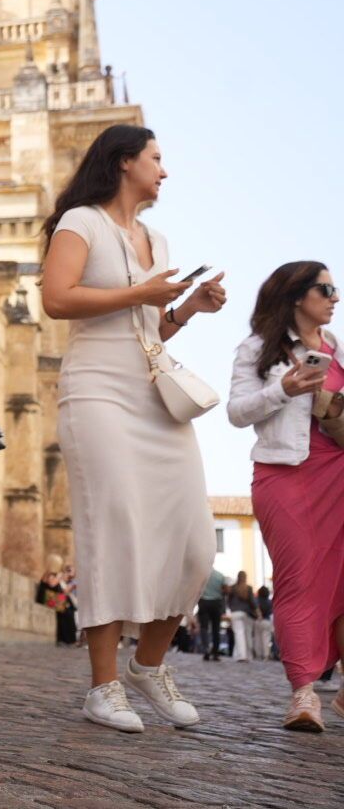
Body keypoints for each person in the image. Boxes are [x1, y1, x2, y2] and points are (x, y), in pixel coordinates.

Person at [40, 124, 227, 733]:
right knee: (112, 526)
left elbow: (146, 328)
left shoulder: (157, 238)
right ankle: (103, 686)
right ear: (125, 163)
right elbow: (57, 299)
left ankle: (149, 665)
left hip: (153, 396)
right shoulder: (80, 223)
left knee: (195, 539)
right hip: (97, 391)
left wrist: (183, 310)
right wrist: (137, 291)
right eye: (156, 159)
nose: (164, 171)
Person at [228, 260, 344, 731]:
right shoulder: (258, 348)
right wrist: (284, 388)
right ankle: (303, 695)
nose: (335, 297)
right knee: (297, 580)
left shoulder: (336, 348)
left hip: (337, 471)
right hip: (284, 473)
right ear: (297, 296)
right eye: (326, 289)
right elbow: (237, 412)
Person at [37, 555, 78, 646]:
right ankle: (66, 640)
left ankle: (69, 640)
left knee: (69, 610)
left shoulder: (55, 575)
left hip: (55, 599)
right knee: (66, 612)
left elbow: (63, 591)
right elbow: (52, 584)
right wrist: (60, 577)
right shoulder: (49, 574)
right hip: (47, 599)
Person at [226, 571, 259, 662]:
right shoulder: (248, 588)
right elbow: (252, 602)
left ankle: (241, 655)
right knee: (247, 635)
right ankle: (248, 655)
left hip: (235, 613)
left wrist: (231, 608)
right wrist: (257, 612)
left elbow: (228, 601)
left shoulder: (233, 588)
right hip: (246, 614)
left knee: (238, 633)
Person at [198, 568, 227, 660]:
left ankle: (206, 650)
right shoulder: (220, 575)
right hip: (216, 603)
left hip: (204, 602)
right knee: (216, 628)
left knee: (204, 628)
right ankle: (215, 653)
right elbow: (225, 590)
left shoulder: (202, 574)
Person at [254, 586, 276, 661]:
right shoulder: (269, 601)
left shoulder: (256, 600)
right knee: (266, 639)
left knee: (257, 638)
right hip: (266, 621)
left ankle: (258, 654)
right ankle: (266, 655)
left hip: (257, 620)